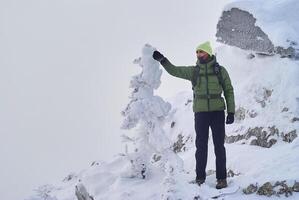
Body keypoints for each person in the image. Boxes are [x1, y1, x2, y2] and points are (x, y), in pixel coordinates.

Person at [152, 41, 235, 189]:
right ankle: (200, 178)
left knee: (219, 147)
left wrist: (231, 111)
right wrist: (163, 60)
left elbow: (228, 90)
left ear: (208, 53)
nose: (198, 54)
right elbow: (175, 71)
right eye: (197, 52)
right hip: (201, 113)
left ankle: (221, 179)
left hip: (217, 112)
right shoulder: (194, 71)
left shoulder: (220, 71)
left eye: (201, 51)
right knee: (201, 146)